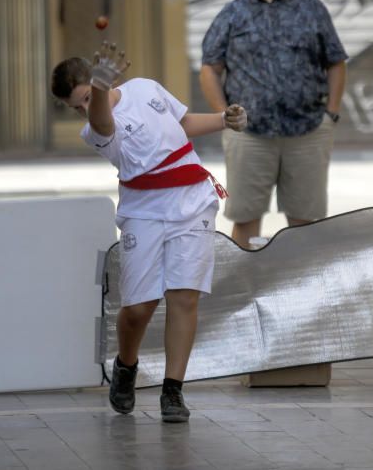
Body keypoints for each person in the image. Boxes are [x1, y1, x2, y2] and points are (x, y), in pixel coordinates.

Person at [50, 43, 247, 423]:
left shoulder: (146, 88)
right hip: (144, 212)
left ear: (98, 81)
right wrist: (101, 91)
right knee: (139, 308)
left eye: (86, 98)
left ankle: (172, 391)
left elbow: (183, 123)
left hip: (192, 200)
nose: (84, 110)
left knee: (185, 296)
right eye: (76, 107)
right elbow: (105, 122)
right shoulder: (94, 129)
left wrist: (224, 119)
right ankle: (126, 365)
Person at [199, 0, 347, 249]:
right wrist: (224, 117)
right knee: (246, 220)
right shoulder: (233, 13)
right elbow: (210, 67)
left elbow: (335, 61)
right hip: (249, 135)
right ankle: (245, 286)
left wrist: (331, 113)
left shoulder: (310, 8)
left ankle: (303, 288)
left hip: (307, 132)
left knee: (304, 222)